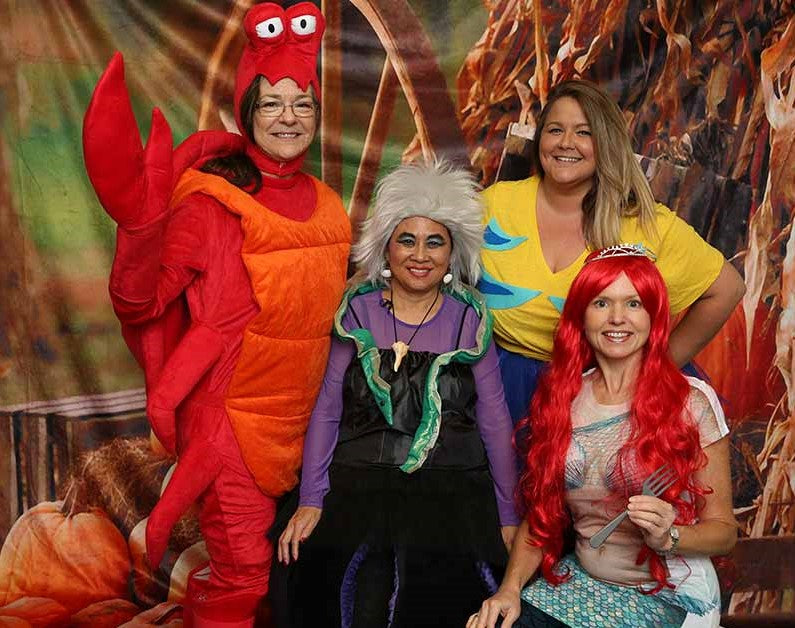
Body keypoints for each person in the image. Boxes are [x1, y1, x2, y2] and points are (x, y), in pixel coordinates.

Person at [82, 3, 351, 626]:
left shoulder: (330, 206)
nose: (289, 116)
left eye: (302, 103)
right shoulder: (210, 206)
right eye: (272, 103)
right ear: (248, 111)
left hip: (308, 431)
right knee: (242, 577)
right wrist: (140, 227)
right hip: (230, 431)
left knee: (294, 578)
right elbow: (142, 302)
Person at [274, 161, 520, 627]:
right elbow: (328, 408)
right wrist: (312, 498)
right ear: (386, 245)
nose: (420, 255)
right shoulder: (358, 310)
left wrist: (508, 516)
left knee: (441, 594)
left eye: (435, 241)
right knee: (338, 584)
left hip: (451, 485)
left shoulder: (469, 317)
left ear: (453, 251)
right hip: (359, 478)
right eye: (407, 239)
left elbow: (494, 418)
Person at [468, 245, 737, 628]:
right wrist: (509, 590)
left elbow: (724, 533)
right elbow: (541, 519)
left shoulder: (689, 401)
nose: (617, 318)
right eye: (601, 303)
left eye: (634, 304)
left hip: (671, 594)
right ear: (581, 315)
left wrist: (670, 536)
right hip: (583, 583)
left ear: (654, 316)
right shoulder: (562, 399)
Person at [479, 79, 745, 421]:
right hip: (502, 390)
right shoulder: (494, 205)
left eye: (584, 132)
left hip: (600, 399)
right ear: (540, 137)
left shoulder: (644, 224)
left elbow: (727, 288)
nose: (566, 142)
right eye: (555, 130)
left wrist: (652, 374)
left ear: (606, 142)